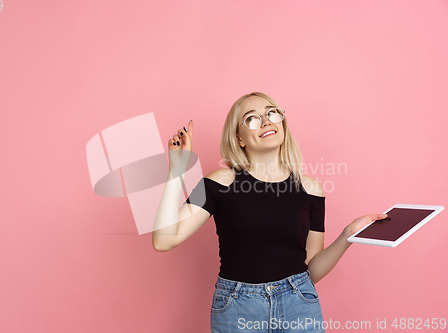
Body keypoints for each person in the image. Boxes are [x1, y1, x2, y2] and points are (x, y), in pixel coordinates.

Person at [152, 92, 388, 333]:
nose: (266, 121)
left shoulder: (311, 189)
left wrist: (348, 235)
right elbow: (164, 240)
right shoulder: (218, 182)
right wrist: (176, 171)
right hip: (238, 308)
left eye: (271, 113)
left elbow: (311, 270)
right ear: (239, 138)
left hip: (299, 305)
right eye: (252, 118)